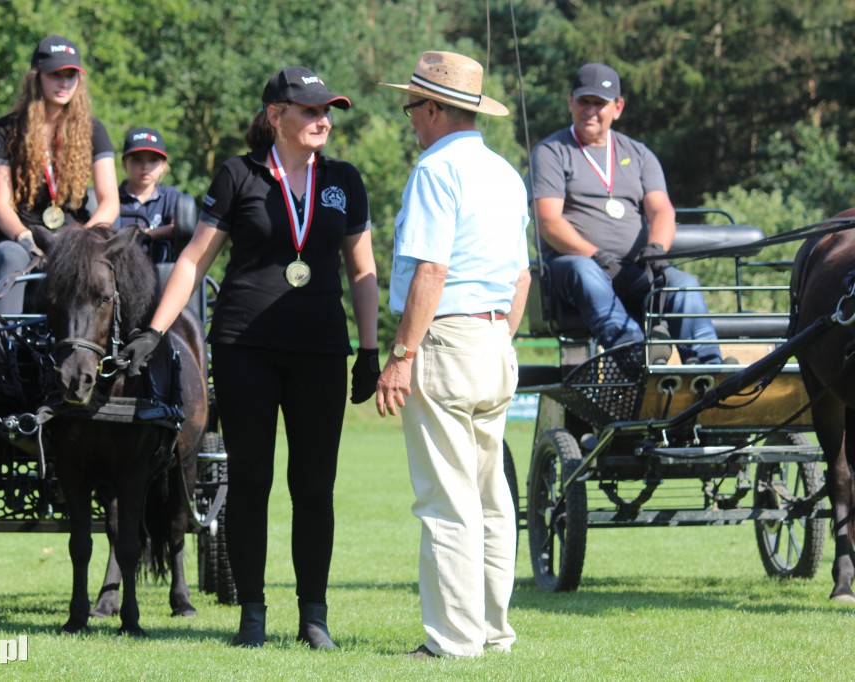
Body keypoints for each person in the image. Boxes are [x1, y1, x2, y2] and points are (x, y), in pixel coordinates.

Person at [119, 66, 379, 649]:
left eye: (327, 111)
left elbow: (362, 271)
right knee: (252, 482)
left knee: (314, 486)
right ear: (276, 116)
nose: (322, 120)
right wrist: (157, 331)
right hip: (245, 350)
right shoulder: (238, 174)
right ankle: (253, 614)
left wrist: (368, 350)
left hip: (319, 351)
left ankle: (314, 615)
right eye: (310, 110)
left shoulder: (343, 179)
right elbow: (192, 261)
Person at [376, 51, 530, 659]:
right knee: (493, 498)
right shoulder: (505, 173)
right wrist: (498, 338)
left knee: (446, 498)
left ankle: (453, 639)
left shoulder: (435, 171)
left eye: (413, 106)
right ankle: (493, 630)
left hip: (446, 338)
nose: (410, 118)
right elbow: (521, 279)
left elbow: (431, 268)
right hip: (495, 341)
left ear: (436, 109)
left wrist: (402, 353)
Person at [531, 62, 722, 364]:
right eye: (584, 101)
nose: (590, 110)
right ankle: (634, 353)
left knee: (684, 284)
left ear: (617, 108)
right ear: (571, 103)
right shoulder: (552, 151)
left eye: (600, 103)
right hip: (575, 267)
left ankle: (708, 367)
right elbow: (548, 221)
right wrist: (596, 255)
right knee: (585, 273)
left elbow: (661, 210)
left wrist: (657, 248)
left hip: (633, 269)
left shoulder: (639, 153)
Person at [0, 35, 119, 314]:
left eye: (70, 75)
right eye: (55, 74)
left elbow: (109, 201)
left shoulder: (94, 129)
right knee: (10, 257)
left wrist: (83, 239)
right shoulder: (4, 129)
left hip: (77, 238)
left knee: (116, 262)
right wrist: (26, 238)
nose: (64, 83)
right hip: (21, 238)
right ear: (37, 77)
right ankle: (1, 347)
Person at [118, 126, 189, 263]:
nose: (145, 166)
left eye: (153, 160)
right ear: (124, 164)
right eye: (137, 159)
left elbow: (181, 228)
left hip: (162, 275)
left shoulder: (171, 197)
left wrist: (147, 235)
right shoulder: (111, 200)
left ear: (163, 166)